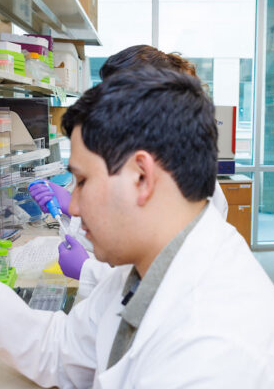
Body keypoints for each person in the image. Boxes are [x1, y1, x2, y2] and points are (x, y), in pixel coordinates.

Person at [0, 67, 274, 388]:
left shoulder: (212, 354)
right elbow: (63, 352)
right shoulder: (149, 268)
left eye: (82, 180)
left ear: (141, 178)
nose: (72, 204)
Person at [30, 45, 228, 297]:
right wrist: (72, 208)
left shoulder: (187, 185)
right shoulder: (132, 155)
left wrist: (88, 270)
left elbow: (165, 281)